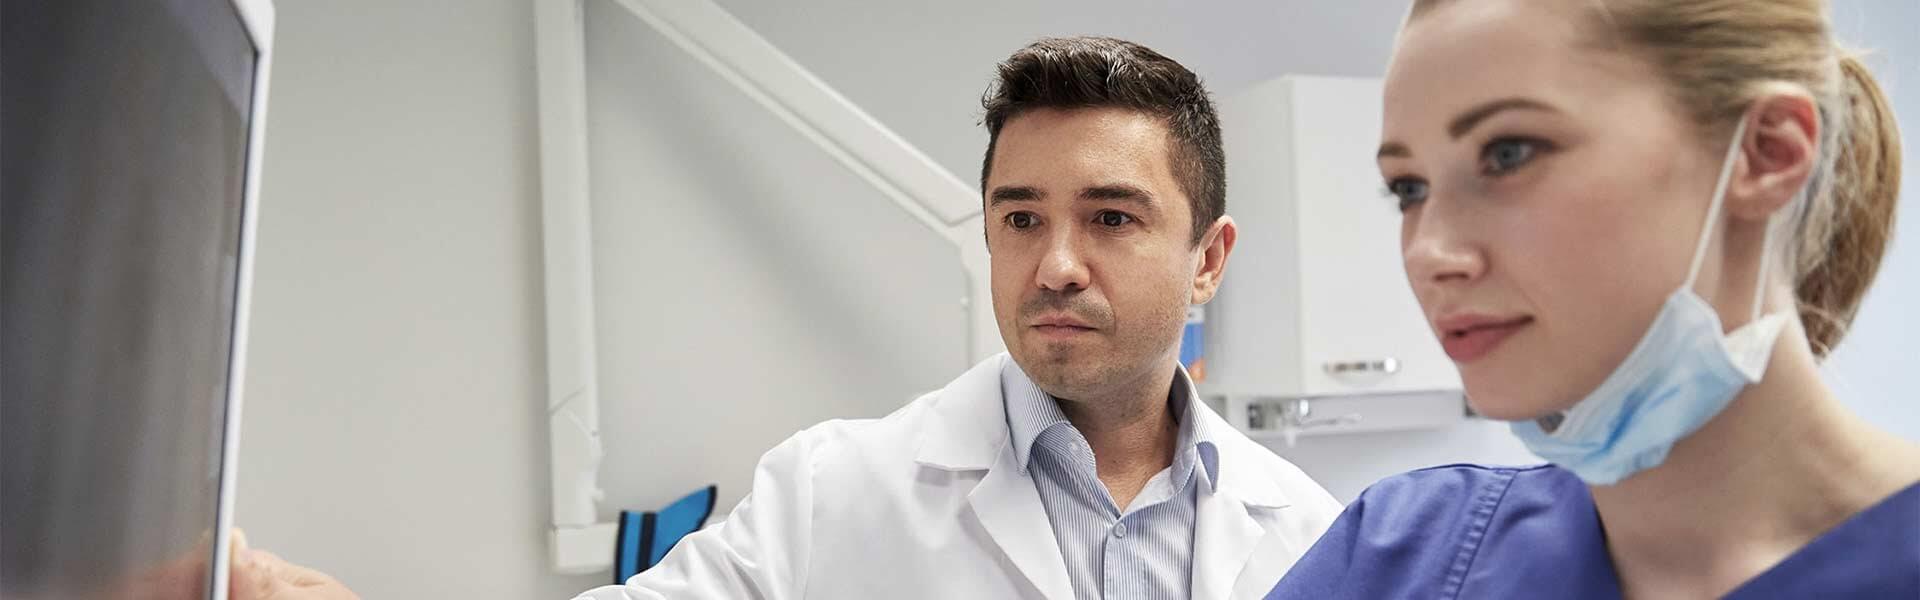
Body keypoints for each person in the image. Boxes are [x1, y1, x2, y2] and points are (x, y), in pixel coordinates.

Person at [567, 36, 1339, 599]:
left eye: (1110, 218)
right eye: (1022, 220)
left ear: (1208, 259)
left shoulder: (1311, 534)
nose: (1056, 267)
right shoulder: (828, 493)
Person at [1266, 1, 1918, 598]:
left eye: (1508, 154)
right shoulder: (1396, 557)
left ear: (1766, 152)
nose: (1429, 253)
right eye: (1408, 189)